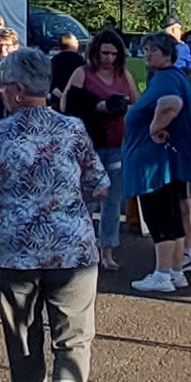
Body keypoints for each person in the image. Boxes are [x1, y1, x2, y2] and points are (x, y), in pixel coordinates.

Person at [0, 48, 108, 382]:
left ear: (14, 91)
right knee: (74, 339)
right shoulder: (73, 129)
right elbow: (99, 185)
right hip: (73, 250)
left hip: (15, 252)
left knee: (24, 340)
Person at [123, 30, 191, 294]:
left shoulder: (165, 80)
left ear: (167, 54)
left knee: (159, 217)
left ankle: (161, 274)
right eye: (146, 49)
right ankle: (175, 271)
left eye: (153, 50)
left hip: (156, 164)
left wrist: (153, 128)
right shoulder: (176, 77)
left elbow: (171, 104)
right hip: (171, 161)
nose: (147, 54)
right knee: (172, 216)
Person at [60, 32, 136, 272]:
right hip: (88, 145)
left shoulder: (123, 75)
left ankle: (107, 251)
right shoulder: (83, 73)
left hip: (116, 144)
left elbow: (138, 103)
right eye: (104, 53)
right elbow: (66, 104)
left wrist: (121, 107)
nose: (109, 58)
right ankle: (83, 248)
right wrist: (95, 106)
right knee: (87, 200)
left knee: (113, 201)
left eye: (114, 54)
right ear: (95, 52)